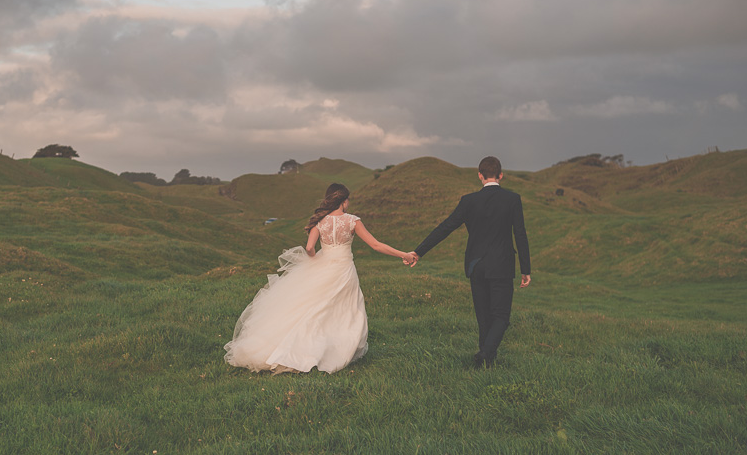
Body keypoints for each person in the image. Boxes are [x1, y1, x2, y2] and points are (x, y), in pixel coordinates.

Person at [224, 183, 414, 374]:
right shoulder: (352, 221)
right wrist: (403, 255)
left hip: (324, 265)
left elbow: (308, 248)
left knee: (315, 307)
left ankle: (306, 347)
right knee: (346, 309)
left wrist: (315, 259)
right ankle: (336, 348)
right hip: (344, 268)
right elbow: (375, 245)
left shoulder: (319, 221)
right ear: (344, 201)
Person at [406, 156, 531, 369]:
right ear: (501, 175)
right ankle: (484, 356)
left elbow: (445, 227)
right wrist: (526, 270)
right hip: (501, 265)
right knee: (501, 316)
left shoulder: (468, 201)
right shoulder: (512, 199)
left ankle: (485, 362)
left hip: (476, 266)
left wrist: (419, 251)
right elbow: (520, 234)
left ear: (480, 176)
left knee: (483, 317)